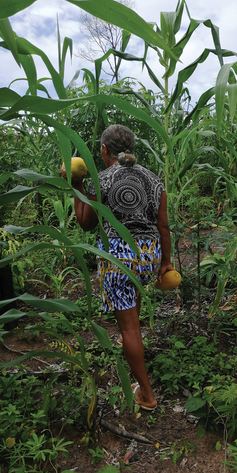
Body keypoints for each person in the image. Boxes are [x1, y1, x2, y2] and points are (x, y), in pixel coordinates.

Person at [62, 124, 173, 410]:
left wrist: (76, 187)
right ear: (131, 148)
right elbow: (163, 225)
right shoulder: (153, 179)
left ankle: (147, 396)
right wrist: (167, 262)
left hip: (119, 260)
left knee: (129, 330)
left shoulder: (102, 180)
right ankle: (141, 375)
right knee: (132, 316)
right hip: (148, 258)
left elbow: (86, 223)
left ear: (103, 150)